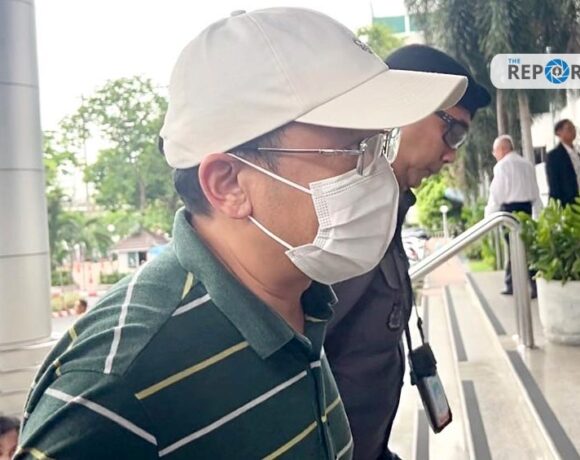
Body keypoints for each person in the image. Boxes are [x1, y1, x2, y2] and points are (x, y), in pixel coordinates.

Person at [17, 9, 467, 459]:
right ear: (228, 184)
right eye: (352, 149)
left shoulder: (303, 300)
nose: (380, 173)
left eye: (379, 144)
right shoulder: (110, 387)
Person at [325, 44, 491, 460]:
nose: (452, 154)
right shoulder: (338, 222)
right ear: (402, 108)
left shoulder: (387, 211)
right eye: (453, 132)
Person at [484, 134, 542, 298]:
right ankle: (520, 284)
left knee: (516, 250)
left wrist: (488, 218)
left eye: (495, 151)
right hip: (527, 210)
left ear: (503, 149)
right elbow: (535, 192)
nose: (494, 155)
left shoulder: (502, 166)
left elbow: (496, 195)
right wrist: (538, 214)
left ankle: (518, 284)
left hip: (509, 211)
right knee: (525, 248)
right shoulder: (527, 164)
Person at [546, 119, 580, 206]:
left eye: (574, 128)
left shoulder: (577, 154)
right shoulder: (554, 156)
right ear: (559, 132)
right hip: (568, 203)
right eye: (569, 129)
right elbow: (554, 184)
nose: (573, 131)